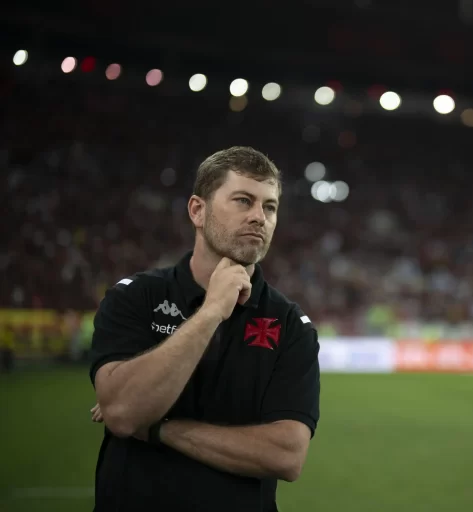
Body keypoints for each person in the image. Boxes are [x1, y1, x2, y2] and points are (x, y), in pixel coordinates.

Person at [88, 146, 320, 511]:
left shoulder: (292, 326)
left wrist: (160, 428)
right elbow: (122, 412)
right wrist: (211, 311)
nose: (259, 217)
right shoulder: (134, 298)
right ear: (198, 210)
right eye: (243, 201)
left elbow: (285, 456)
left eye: (270, 206)